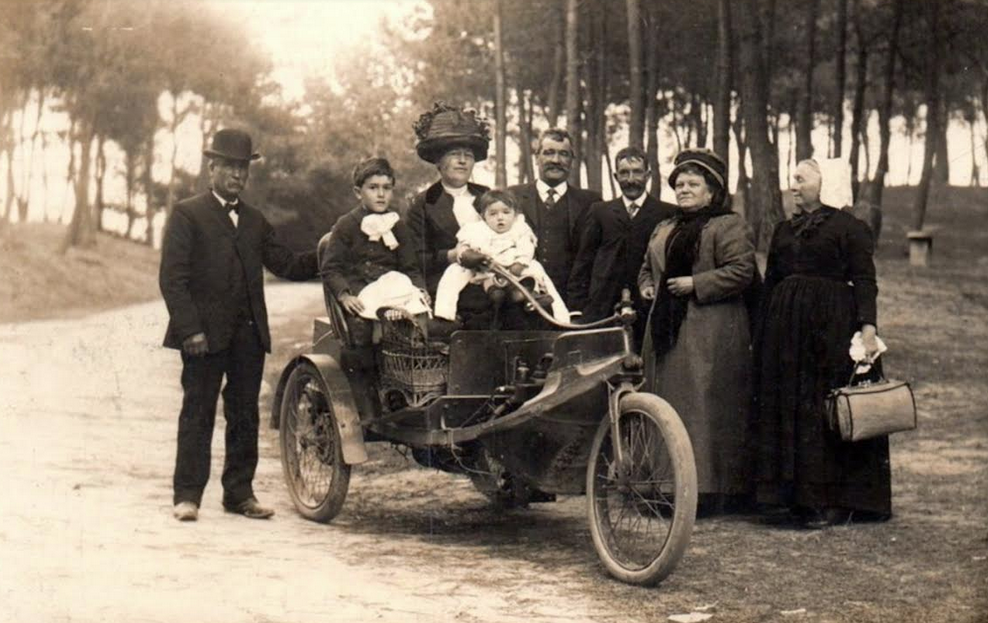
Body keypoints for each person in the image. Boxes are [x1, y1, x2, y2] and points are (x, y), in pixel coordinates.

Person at [159, 129, 318, 522]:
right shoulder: (187, 214)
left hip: (248, 337)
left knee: (245, 413)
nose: (236, 175)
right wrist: (190, 330)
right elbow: (172, 279)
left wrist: (330, 249)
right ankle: (187, 496)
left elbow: (287, 265)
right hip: (202, 337)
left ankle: (239, 494)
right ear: (211, 168)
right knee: (197, 411)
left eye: (242, 168)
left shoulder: (254, 221)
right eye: (229, 166)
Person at [754, 158, 890, 528]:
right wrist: (761, 330)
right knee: (789, 404)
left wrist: (867, 328)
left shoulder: (851, 228)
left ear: (825, 182)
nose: (793, 186)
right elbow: (771, 282)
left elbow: (865, 280)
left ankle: (831, 500)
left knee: (824, 406)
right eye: (791, 179)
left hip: (830, 329)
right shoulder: (783, 229)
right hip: (784, 331)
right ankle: (789, 497)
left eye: (800, 179)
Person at [638, 149, 757, 514]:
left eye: (693, 184)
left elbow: (742, 271)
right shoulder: (665, 226)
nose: (684, 190)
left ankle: (707, 492)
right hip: (666, 332)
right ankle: (663, 484)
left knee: (703, 409)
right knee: (666, 403)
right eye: (679, 184)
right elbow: (647, 266)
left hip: (712, 333)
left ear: (712, 192)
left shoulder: (727, 225)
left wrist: (696, 283)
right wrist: (646, 285)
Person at [318, 158, 429, 421]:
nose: (381, 194)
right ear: (359, 192)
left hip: (393, 287)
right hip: (362, 290)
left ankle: (408, 390)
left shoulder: (397, 225)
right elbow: (330, 267)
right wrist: (345, 295)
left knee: (418, 319)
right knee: (362, 328)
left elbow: (410, 267)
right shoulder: (346, 225)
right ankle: (366, 398)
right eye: (373, 187)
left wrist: (420, 289)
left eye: (387, 188)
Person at [569, 146, 676, 346]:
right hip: (603, 305)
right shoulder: (600, 211)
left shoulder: (666, 213)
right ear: (616, 176)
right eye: (625, 173)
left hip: (649, 303)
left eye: (637, 172)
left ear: (648, 175)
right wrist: (577, 308)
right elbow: (584, 261)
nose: (631, 179)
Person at [406, 103, 492, 327]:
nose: (463, 161)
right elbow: (415, 260)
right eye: (455, 154)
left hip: (492, 282)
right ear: (438, 161)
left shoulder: (489, 197)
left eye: (468, 155)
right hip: (445, 290)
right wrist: (451, 255)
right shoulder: (422, 204)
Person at [434, 189, 569, 323]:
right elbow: (464, 245)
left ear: (515, 215)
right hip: (484, 267)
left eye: (506, 212)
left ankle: (555, 312)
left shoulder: (520, 228)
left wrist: (521, 262)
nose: (500, 217)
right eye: (493, 214)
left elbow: (526, 247)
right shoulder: (476, 229)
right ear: (483, 216)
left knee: (537, 269)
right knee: (454, 272)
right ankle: (444, 312)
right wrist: (468, 254)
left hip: (514, 268)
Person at [506, 128, 601, 308]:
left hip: (573, 303)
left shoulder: (591, 202)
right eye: (549, 153)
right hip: (521, 299)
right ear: (537, 158)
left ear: (572, 161)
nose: (556, 160)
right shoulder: (513, 196)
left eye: (563, 154)